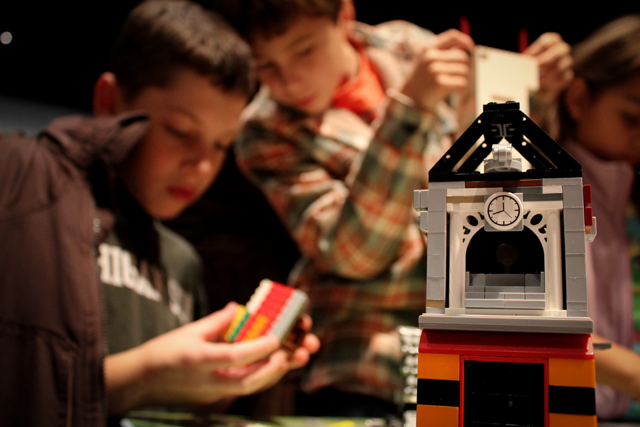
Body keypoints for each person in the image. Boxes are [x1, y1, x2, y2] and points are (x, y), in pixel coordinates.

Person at [212, 0, 573, 416]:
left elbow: (502, 191)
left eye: (304, 50)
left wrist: (534, 96)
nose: (289, 79)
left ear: (344, 17)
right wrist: (409, 109)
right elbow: (354, 254)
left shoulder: (408, 47)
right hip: (364, 356)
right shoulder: (265, 129)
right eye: (265, 66)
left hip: (477, 334)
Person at [0, 1, 319, 426]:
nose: (201, 164)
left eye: (221, 144)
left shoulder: (182, 262)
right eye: (180, 131)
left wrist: (228, 374)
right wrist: (145, 376)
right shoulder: (26, 194)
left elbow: (171, 408)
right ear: (109, 100)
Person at [555, 14, 640, 421]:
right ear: (578, 99)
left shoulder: (625, 192)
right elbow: (546, 329)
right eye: (632, 118)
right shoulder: (543, 191)